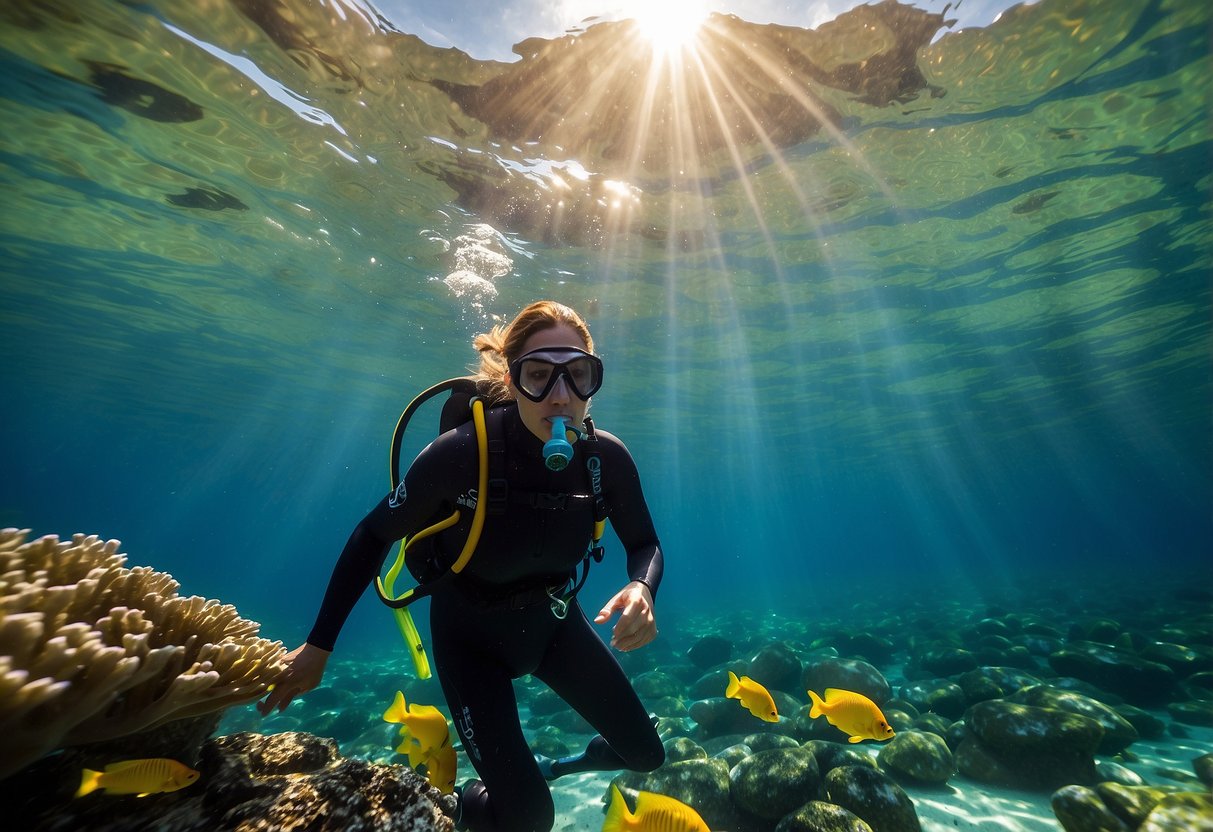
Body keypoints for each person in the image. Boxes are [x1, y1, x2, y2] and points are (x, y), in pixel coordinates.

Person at [259, 301, 666, 832]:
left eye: (578, 376)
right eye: (539, 376)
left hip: (554, 628)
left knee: (646, 757)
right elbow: (372, 533)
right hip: (468, 640)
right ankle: (461, 802)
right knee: (528, 817)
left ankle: (567, 765)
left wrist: (642, 586)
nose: (561, 397)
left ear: (593, 379)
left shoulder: (604, 459)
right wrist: (319, 646)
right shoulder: (462, 453)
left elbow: (645, 542)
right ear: (512, 378)